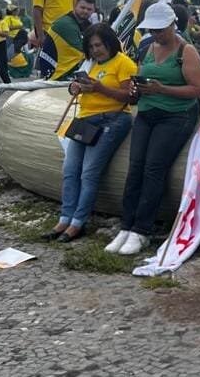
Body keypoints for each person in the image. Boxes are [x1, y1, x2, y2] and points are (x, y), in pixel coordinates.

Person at [105, 3, 200, 256]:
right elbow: (142, 75)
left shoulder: (186, 51)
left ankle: (142, 230)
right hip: (147, 112)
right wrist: (137, 89)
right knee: (135, 168)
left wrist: (162, 89)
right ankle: (126, 225)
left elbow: (197, 89)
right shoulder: (149, 48)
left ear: (173, 25)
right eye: (152, 30)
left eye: (160, 30)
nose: (156, 34)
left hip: (176, 114)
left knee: (154, 169)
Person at [43, 24, 135, 243]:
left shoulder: (124, 63)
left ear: (110, 43)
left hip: (112, 118)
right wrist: (75, 88)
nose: (95, 50)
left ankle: (78, 222)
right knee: (69, 169)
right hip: (85, 120)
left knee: (89, 172)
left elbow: (130, 97)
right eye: (91, 47)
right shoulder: (91, 64)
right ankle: (65, 218)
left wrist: (99, 88)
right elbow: (77, 86)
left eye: (99, 45)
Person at [46, 0, 94, 81]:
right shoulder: (66, 24)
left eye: (89, 9)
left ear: (93, 11)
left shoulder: (86, 25)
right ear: (75, 6)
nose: (85, 11)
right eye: (82, 8)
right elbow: (86, 51)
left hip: (65, 69)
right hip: (57, 74)